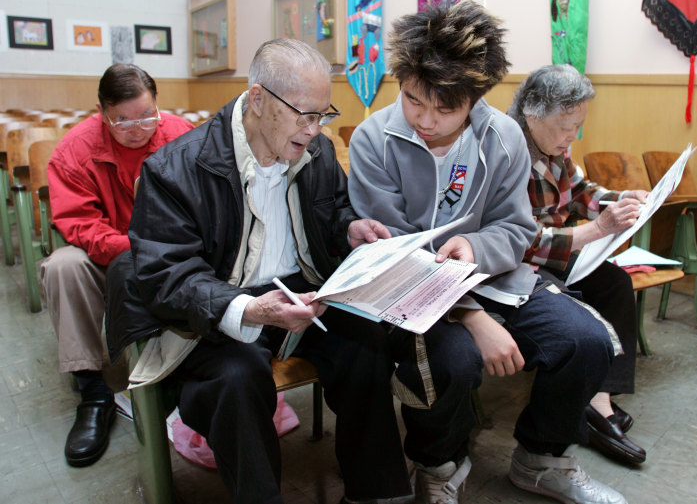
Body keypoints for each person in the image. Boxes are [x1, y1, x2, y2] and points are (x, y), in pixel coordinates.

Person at [105, 39, 415, 504]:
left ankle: (378, 492)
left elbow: (330, 211)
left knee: (366, 343)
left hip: (299, 294)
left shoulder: (318, 153)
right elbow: (166, 276)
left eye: (321, 115)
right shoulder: (174, 170)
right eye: (302, 115)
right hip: (218, 305)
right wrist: (248, 310)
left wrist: (349, 228)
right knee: (237, 377)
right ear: (257, 99)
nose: (313, 130)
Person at [348, 0, 628, 504]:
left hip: (498, 279)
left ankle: (542, 458)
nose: (425, 121)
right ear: (401, 81)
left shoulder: (504, 138)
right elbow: (393, 252)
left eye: (445, 108)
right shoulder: (374, 140)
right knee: (453, 361)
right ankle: (438, 467)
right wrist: (474, 317)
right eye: (413, 100)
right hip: (411, 294)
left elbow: (517, 230)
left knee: (585, 340)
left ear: (476, 97)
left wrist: (475, 246)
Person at [40, 63, 194, 468]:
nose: (137, 128)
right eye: (121, 120)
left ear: (158, 104)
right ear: (102, 111)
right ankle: (93, 390)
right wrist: (133, 246)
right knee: (62, 266)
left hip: (169, 250)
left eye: (146, 115)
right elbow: (78, 224)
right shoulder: (75, 150)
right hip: (106, 254)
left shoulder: (181, 135)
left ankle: (188, 368)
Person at [507, 64, 648, 466]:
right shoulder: (508, 149)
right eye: (566, 125)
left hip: (559, 248)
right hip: (523, 262)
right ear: (532, 114)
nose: (573, 136)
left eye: (578, 125)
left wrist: (619, 200)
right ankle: (593, 406)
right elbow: (520, 239)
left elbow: (581, 190)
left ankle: (598, 394)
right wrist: (596, 229)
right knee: (570, 304)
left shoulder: (554, 145)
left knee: (615, 283)